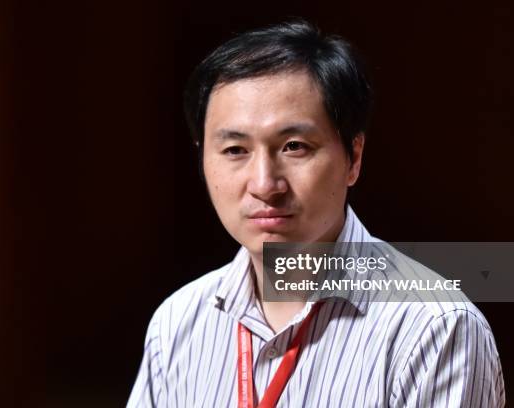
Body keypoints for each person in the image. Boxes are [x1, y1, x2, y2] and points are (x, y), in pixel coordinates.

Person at [127, 20, 505, 407]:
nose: (264, 184)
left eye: (294, 146)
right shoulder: (177, 324)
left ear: (353, 157)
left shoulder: (435, 330)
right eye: (235, 150)